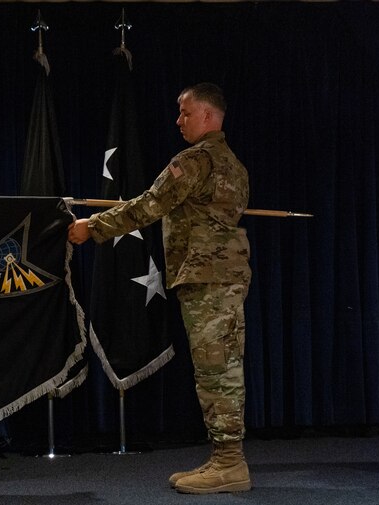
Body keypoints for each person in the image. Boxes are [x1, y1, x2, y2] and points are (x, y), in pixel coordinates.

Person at [69, 83, 252, 494]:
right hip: (225, 276)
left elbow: (149, 205)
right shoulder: (234, 164)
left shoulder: (195, 161)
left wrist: (92, 227)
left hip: (206, 277)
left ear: (208, 116)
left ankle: (229, 463)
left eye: (186, 112)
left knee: (216, 370)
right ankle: (225, 458)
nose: (178, 120)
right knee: (222, 367)